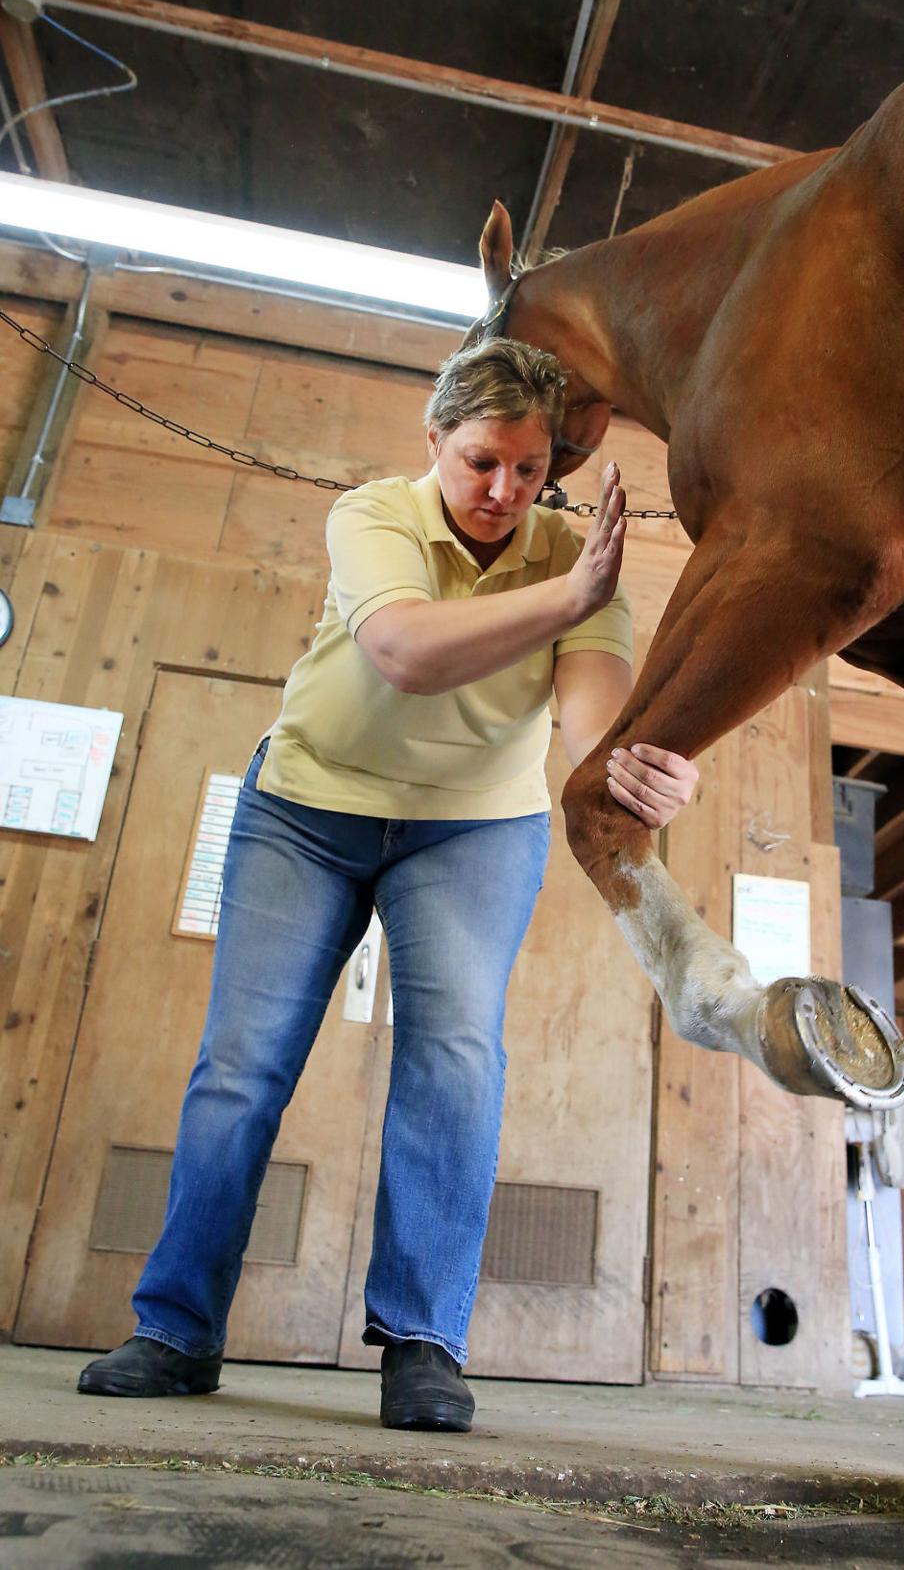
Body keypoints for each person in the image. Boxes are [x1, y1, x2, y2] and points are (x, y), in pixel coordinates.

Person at [76, 337, 699, 1431]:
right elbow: (407, 653)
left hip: (471, 829)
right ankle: (174, 1329)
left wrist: (640, 769)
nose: (504, 490)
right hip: (306, 810)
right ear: (435, 439)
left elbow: (590, 722)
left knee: (455, 1062)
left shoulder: (578, 559)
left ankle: (423, 1344)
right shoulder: (373, 516)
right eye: (481, 462)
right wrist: (566, 599)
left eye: (529, 468)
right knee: (241, 1068)